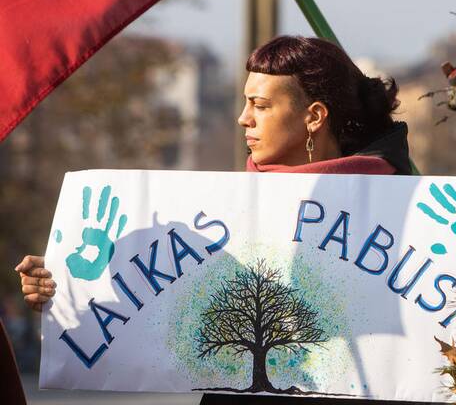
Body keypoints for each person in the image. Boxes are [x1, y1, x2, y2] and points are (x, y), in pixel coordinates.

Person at [15, 35, 418, 404]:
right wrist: (68, 292)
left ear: (313, 116)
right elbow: (155, 316)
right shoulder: (224, 211)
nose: (244, 118)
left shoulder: (402, 205)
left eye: (261, 106)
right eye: (246, 103)